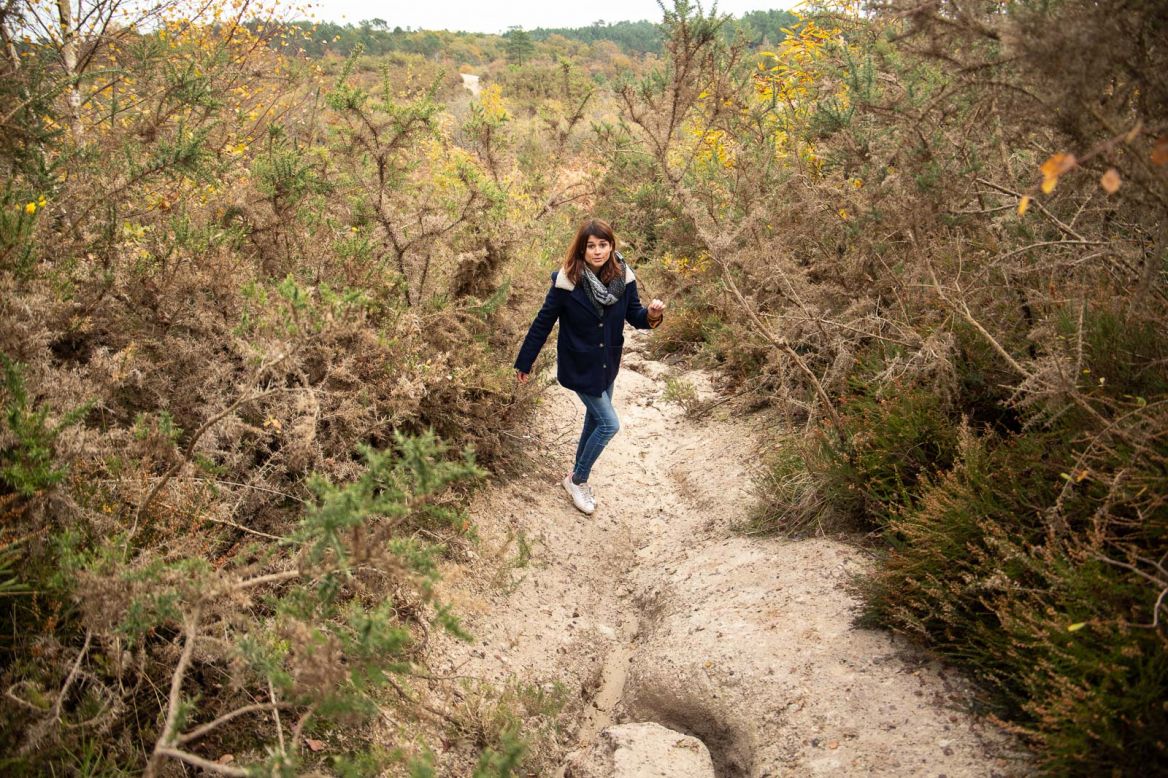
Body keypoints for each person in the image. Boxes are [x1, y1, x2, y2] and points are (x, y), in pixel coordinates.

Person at [514, 218, 666, 515]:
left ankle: (575, 475)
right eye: (591, 246)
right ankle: (578, 479)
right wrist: (525, 362)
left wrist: (650, 313)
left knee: (594, 421)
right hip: (579, 365)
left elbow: (634, 315)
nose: (597, 251)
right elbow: (543, 323)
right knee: (609, 424)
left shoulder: (623, 276)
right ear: (581, 249)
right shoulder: (567, 281)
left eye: (603, 245)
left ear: (611, 246)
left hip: (608, 362)